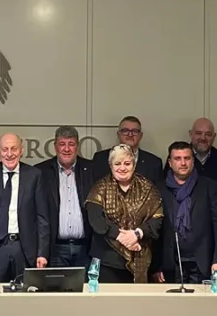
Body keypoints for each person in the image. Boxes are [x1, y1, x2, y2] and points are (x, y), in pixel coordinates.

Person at [0, 133, 51, 282]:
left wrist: (42, 253)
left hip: (24, 249)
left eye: (14, 149)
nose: (9, 154)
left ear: (22, 150)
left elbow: (42, 218)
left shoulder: (34, 175)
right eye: (5, 149)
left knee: (25, 293)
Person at [86, 144, 163, 283]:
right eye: (117, 164)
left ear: (134, 165)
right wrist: (124, 238)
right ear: (111, 166)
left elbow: (157, 219)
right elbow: (96, 220)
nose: (122, 168)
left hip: (140, 259)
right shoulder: (99, 188)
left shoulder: (148, 188)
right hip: (107, 262)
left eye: (127, 163)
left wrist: (137, 234)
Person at [154, 141, 217, 284]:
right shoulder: (159, 189)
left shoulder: (209, 186)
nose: (183, 163)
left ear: (193, 161)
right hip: (170, 264)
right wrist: (156, 266)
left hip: (202, 262)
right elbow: (155, 229)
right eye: (177, 158)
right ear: (170, 163)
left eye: (187, 158)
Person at [36, 126, 95, 269]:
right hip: (55, 249)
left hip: (86, 249)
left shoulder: (91, 170)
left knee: (87, 284)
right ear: (55, 146)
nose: (66, 149)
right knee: (57, 284)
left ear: (77, 146)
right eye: (62, 144)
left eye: (71, 144)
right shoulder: (40, 171)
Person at [163, 118, 217, 197]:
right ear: (191, 134)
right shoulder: (176, 159)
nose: (203, 138)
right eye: (198, 133)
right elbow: (165, 190)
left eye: (208, 134)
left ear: (214, 136)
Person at [92, 116, 163, 184]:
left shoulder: (154, 163)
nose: (130, 134)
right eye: (125, 131)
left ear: (140, 136)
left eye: (135, 131)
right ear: (118, 134)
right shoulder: (100, 159)